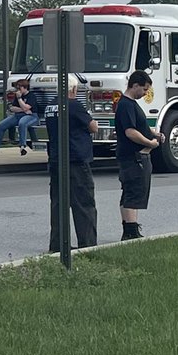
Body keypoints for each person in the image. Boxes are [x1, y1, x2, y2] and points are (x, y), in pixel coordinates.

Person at [44, 78, 99, 251]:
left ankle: (58, 244)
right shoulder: (74, 105)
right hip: (76, 159)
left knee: (58, 203)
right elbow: (93, 127)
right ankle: (87, 244)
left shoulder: (50, 106)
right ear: (73, 89)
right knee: (83, 203)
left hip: (56, 159)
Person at [115, 70, 165, 241]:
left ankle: (130, 227)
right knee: (133, 192)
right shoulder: (126, 105)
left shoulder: (131, 105)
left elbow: (140, 126)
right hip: (133, 157)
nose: (145, 93)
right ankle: (131, 230)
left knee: (131, 192)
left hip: (135, 156)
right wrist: (149, 143)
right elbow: (130, 132)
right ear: (135, 85)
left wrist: (154, 134)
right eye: (144, 89)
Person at [0, 79, 35, 155]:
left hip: (30, 116)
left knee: (22, 123)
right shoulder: (17, 96)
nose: (18, 90)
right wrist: (23, 109)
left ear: (25, 87)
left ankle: (22, 146)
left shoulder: (31, 96)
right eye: (17, 88)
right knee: (1, 125)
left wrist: (19, 99)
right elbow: (12, 108)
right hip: (18, 115)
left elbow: (27, 107)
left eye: (19, 88)